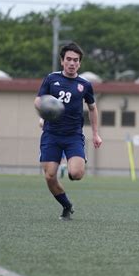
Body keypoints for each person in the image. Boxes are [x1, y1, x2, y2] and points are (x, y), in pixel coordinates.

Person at [34, 42, 102, 220]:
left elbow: (93, 108)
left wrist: (95, 134)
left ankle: (75, 165)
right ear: (62, 61)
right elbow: (38, 101)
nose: (72, 63)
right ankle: (66, 205)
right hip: (51, 134)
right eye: (69, 59)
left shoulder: (85, 84)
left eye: (76, 60)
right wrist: (44, 113)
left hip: (73, 136)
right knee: (49, 176)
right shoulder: (51, 79)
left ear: (80, 63)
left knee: (76, 174)